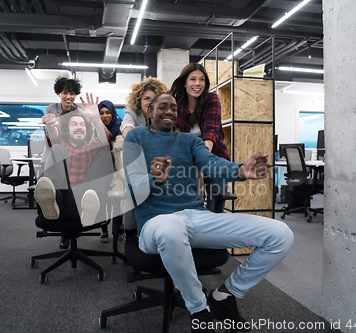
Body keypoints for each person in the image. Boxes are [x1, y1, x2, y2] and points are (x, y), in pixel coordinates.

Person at [123, 93, 293, 333]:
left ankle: (225, 295)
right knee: (171, 229)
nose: (170, 111)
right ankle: (198, 310)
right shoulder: (136, 137)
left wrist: (241, 170)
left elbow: (212, 163)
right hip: (156, 223)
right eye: (163, 107)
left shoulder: (190, 141)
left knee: (281, 234)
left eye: (174, 107)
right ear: (149, 112)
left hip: (196, 216)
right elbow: (133, 185)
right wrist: (155, 179)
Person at [35, 94, 115, 247]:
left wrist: (96, 119)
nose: (79, 126)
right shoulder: (62, 143)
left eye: (82, 124)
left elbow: (106, 142)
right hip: (62, 201)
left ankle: (92, 205)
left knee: (105, 153)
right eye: (74, 124)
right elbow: (54, 137)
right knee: (56, 149)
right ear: (67, 129)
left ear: (86, 129)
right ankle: (51, 201)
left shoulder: (92, 146)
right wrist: (51, 125)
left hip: (87, 200)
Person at [169, 62, 229, 212]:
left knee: (216, 203)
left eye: (202, 79)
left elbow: (211, 131)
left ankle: (215, 232)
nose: (198, 84)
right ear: (184, 83)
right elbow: (178, 137)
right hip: (188, 161)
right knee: (191, 203)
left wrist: (204, 163)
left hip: (214, 157)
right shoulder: (177, 104)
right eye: (193, 79)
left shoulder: (212, 99)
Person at [98, 100, 125, 243]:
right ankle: (104, 230)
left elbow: (119, 145)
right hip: (99, 171)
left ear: (113, 113)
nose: (104, 116)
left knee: (118, 197)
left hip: (116, 171)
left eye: (108, 112)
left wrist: (110, 145)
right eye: (101, 113)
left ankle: (119, 224)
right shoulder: (93, 130)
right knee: (100, 197)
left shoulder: (119, 127)